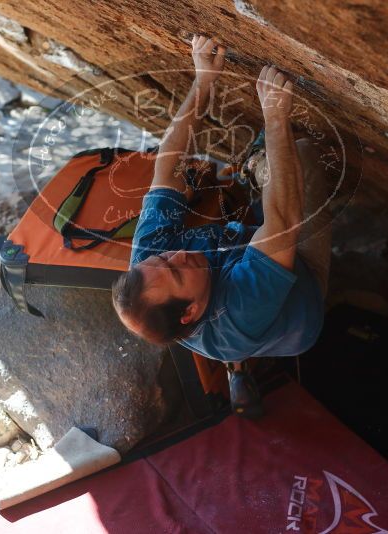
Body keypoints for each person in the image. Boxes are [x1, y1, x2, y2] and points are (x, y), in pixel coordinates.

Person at [112, 35, 333, 417]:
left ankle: (238, 363)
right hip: (302, 293)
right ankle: (240, 358)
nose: (176, 254)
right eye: (176, 269)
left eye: (163, 259)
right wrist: (276, 119)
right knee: (304, 155)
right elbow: (284, 224)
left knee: (192, 194)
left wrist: (203, 80)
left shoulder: (152, 268)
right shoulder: (236, 312)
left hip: (236, 265)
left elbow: (168, 165)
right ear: (191, 311)